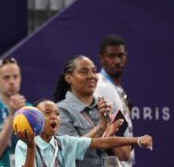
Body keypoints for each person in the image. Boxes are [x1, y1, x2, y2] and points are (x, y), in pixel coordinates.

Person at [14, 99, 153, 167]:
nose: (54, 117)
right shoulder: (24, 145)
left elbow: (104, 142)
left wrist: (137, 140)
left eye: (57, 114)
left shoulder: (64, 142)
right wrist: (31, 147)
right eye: (47, 113)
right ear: (36, 119)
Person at [53, 55, 128, 167]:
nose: (91, 76)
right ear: (69, 78)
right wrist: (100, 128)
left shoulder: (106, 109)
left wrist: (111, 128)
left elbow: (124, 155)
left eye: (94, 71)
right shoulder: (60, 110)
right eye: (84, 72)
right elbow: (70, 150)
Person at [94, 34, 134, 167]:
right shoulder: (101, 87)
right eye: (111, 56)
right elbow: (106, 131)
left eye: (120, 55)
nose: (117, 61)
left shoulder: (117, 88)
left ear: (126, 57)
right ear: (102, 59)